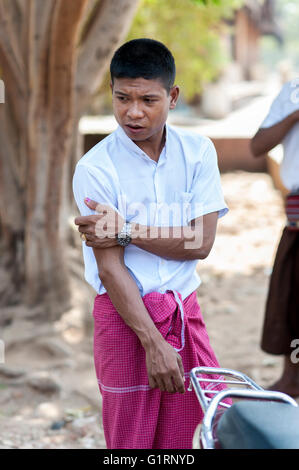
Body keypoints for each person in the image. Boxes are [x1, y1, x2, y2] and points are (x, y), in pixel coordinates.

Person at [72, 38, 229, 449]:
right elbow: (110, 267)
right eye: (122, 98)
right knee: (130, 442)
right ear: (111, 93)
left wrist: (125, 231)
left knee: (199, 428)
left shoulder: (197, 154)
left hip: (184, 311)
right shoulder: (96, 168)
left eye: (148, 100)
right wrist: (153, 343)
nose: (133, 112)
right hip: (124, 319)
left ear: (173, 97)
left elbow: (200, 242)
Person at [251, 78, 299, 398]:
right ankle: (292, 378)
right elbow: (257, 146)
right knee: (293, 298)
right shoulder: (293, 91)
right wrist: (295, 115)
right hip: (297, 215)